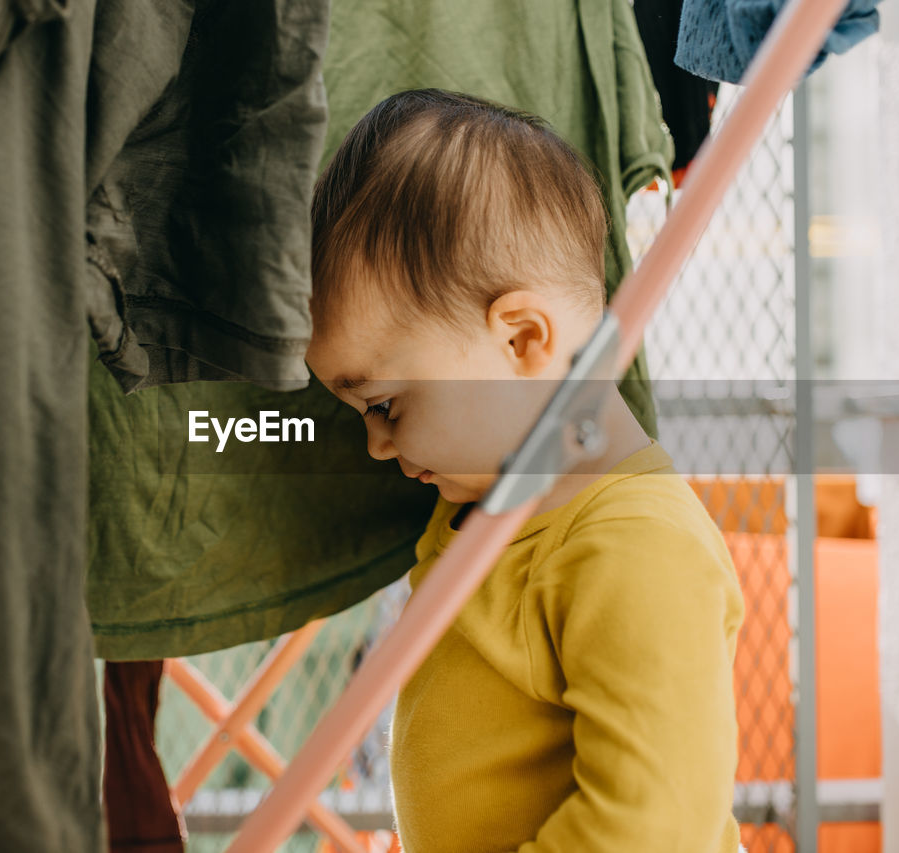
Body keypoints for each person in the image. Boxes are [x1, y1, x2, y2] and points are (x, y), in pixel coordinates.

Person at [304, 89, 746, 852]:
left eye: (385, 404)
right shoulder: (486, 502)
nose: (375, 445)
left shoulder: (637, 547)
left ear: (521, 339)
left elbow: (653, 825)